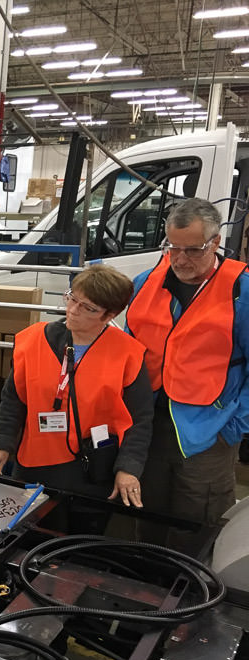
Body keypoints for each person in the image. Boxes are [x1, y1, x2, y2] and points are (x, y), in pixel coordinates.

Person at [0, 264, 153, 524]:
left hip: (93, 468)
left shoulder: (129, 354)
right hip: (36, 463)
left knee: (81, 547)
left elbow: (140, 420)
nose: (72, 310)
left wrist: (129, 468)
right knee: (29, 539)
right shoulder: (33, 341)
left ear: (110, 315)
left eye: (87, 308)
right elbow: (14, 400)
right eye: (72, 299)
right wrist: (2, 443)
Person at [125, 197, 249, 549]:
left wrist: (234, 426)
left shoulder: (242, 291)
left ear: (215, 242)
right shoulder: (145, 283)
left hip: (209, 431)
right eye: (172, 247)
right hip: (148, 423)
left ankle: (191, 599)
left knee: (197, 523)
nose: (179, 259)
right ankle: (146, 590)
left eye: (192, 250)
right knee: (147, 514)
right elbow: (128, 349)